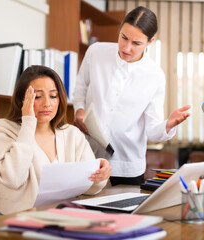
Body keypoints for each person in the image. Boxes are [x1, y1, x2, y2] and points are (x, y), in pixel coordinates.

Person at [73, 6, 191, 186]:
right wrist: (79, 111)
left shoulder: (155, 75)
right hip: (87, 157)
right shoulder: (96, 52)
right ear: (120, 29)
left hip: (126, 168)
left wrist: (168, 125)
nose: (127, 48)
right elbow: (81, 87)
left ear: (150, 42)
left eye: (136, 43)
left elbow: (152, 129)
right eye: (124, 38)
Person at [0, 65, 111, 216]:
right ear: (22, 100)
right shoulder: (2, 129)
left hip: (62, 217)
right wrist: (28, 123)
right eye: (38, 96)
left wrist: (100, 175)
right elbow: (13, 179)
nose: (47, 103)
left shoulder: (71, 134)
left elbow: (90, 189)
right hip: (15, 218)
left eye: (53, 96)